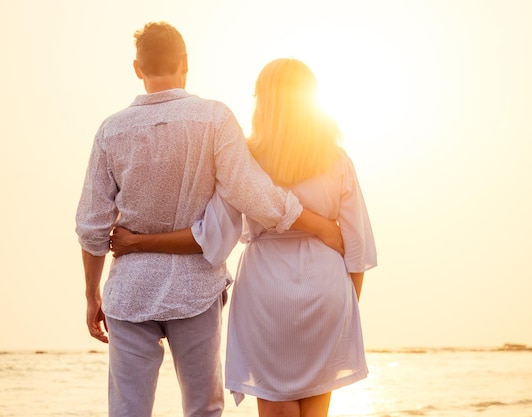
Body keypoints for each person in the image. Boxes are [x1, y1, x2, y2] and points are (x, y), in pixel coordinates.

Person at [75, 23, 343, 417]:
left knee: (128, 410)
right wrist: (318, 224)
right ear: (185, 63)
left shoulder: (111, 130)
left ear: (137, 68)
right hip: (195, 288)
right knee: (203, 407)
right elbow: (253, 194)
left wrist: (91, 295)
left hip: (129, 291)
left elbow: (92, 227)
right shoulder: (214, 118)